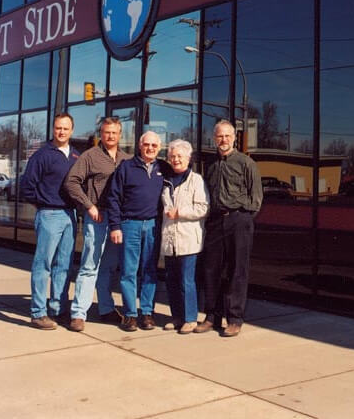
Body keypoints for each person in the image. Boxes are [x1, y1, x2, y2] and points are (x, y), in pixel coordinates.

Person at [63, 117, 133, 332]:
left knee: (108, 267)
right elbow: (71, 182)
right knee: (89, 266)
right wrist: (89, 206)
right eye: (106, 132)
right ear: (101, 133)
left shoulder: (127, 159)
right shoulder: (89, 156)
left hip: (117, 220)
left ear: (120, 134)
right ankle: (78, 314)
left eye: (114, 132)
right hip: (97, 218)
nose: (110, 136)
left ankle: (106, 309)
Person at [196, 120, 263, 337]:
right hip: (215, 221)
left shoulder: (246, 163)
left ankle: (234, 319)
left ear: (234, 137)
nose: (223, 140)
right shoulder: (210, 164)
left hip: (239, 220)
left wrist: (242, 216)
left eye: (227, 136)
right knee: (211, 269)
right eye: (219, 136)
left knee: (237, 270)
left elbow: (256, 198)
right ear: (214, 138)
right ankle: (212, 316)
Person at [20, 112, 80, 330]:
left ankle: (58, 308)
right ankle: (38, 312)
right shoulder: (42, 155)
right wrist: (43, 203)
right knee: (43, 264)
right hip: (49, 215)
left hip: (70, 216)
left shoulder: (75, 156)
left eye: (65, 128)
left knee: (63, 265)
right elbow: (27, 186)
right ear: (53, 129)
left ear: (72, 130)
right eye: (58, 128)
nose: (61, 132)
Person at [107, 130, 166, 331]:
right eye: (146, 144)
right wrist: (115, 226)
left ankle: (147, 313)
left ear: (159, 148)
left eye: (154, 146)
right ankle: (131, 314)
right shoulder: (126, 167)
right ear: (140, 146)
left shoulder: (163, 168)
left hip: (152, 226)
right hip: (129, 224)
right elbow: (113, 198)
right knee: (129, 271)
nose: (150, 148)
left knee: (149, 270)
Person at [160, 139, 209, 334]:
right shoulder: (166, 180)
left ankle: (190, 318)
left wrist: (180, 212)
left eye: (180, 156)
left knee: (186, 280)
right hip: (169, 239)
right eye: (172, 156)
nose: (175, 159)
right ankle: (177, 316)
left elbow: (203, 208)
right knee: (171, 279)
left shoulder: (196, 180)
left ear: (188, 159)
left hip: (188, 240)